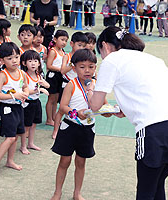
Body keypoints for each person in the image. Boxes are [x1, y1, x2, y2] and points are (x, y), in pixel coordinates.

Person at [90, 26, 168, 200]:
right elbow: (152, 90)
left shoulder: (112, 60)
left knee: (146, 191)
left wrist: (89, 91)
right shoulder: (153, 59)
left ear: (105, 46)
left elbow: (94, 105)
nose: (102, 56)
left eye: (100, 51)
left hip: (156, 129)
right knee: (156, 183)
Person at [51, 49, 105, 200]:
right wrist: (75, 113)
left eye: (91, 66)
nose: (87, 70)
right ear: (74, 68)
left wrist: (108, 111)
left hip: (87, 129)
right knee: (65, 160)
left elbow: (103, 104)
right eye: (82, 67)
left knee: (81, 162)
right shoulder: (71, 85)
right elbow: (62, 107)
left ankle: (77, 193)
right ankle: (57, 192)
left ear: (96, 67)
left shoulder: (97, 85)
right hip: (69, 127)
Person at [0, 42, 29, 178]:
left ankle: (10, 161)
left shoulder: (22, 73)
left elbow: (25, 87)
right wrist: (14, 95)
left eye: (16, 57)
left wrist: (25, 92)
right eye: (10, 58)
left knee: (16, 135)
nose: (14, 61)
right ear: (2, 60)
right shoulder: (3, 74)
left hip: (18, 107)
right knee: (10, 137)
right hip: (7, 108)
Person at [52, 31, 88, 139]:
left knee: (78, 108)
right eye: (79, 45)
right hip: (67, 85)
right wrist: (73, 62)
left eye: (83, 46)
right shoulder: (67, 56)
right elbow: (63, 70)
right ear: (72, 44)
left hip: (79, 87)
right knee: (62, 110)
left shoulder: (84, 57)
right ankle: (55, 130)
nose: (81, 48)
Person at [19, 50, 50, 154]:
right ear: (24, 63)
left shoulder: (38, 75)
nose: (33, 63)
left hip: (36, 102)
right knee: (26, 126)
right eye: (30, 61)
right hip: (27, 103)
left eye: (36, 61)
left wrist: (44, 84)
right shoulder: (24, 75)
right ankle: (23, 146)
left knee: (34, 124)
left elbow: (48, 86)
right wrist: (39, 89)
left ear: (39, 63)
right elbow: (25, 92)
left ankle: (30, 143)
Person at [45, 30, 68, 126]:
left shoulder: (62, 52)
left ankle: (54, 117)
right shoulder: (53, 51)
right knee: (51, 98)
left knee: (56, 99)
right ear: (55, 39)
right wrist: (60, 69)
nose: (64, 42)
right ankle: (49, 119)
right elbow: (49, 65)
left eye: (66, 40)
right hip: (53, 76)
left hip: (60, 76)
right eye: (62, 39)